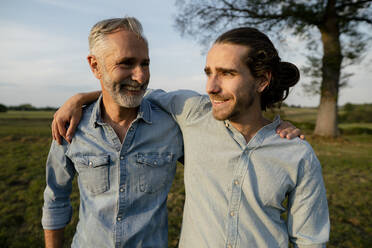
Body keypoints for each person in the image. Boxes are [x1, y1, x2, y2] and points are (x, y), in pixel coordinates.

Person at [52, 27, 327, 247]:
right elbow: (131, 90)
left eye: (227, 74)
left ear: (262, 81)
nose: (210, 87)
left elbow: (310, 240)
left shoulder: (296, 153)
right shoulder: (192, 113)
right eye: (208, 73)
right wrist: (80, 99)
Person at [41, 17, 184, 248]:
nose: (140, 77)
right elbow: (55, 198)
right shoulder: (71, 127)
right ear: (95, 65)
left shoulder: (171, 128)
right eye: (126, 63)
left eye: (145, 64)